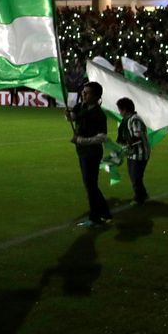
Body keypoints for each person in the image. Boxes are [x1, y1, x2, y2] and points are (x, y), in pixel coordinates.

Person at [68, 82, 114, 226]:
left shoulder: (99, 114)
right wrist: (68, 115)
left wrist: (81, 140)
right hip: (82, 152)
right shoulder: (81, 106)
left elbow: (102, 137)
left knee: (91, 185)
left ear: (96, 96)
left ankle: (95, 217)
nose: (83, 94)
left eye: (87, 93)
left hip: (92, 153)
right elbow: (72, 118)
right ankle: (104, 213)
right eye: (83, 91)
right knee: (90, 185)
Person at [114, 97, 151, 205]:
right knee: (133, 175)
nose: (120, 112)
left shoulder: (135, 119)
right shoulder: (127, 119)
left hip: (140, 153)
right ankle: (143, 194)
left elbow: (137, 135)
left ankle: (139, 198)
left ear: (125, 109)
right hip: (132, 153)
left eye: (120, 110)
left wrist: (128, 142)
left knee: (135, 176)